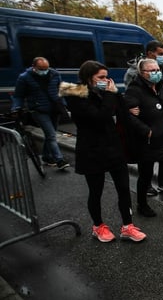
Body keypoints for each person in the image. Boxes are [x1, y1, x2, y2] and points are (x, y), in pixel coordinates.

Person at [59, 61, 146, 242]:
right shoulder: (75, 93)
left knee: (123, 188)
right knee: (96, 191)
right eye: (101, 77)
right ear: (88, 77)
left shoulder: (106, 92)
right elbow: (100, 117)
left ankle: (127, 226)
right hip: (91, 150)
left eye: (106, 76)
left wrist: (116, 95)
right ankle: (98, 226)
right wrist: (109, 95)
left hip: (113, 147)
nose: (106, 80)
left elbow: (122, 112)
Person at [124, 58, 163, 221]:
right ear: (142, 73)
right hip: (147, 142)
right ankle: (142, 204)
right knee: (145, 175)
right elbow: (128, 116)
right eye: (151, 71)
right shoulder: (135, 89)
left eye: (157, 70)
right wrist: (146, 131)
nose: (156, 73)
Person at [125, 40, 163, 196]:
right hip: (146, 127)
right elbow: (133, 96)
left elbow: (162, 92)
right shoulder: (135, 73)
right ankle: (144, 193)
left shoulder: (159, 72)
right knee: (146, 165)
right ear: (150, 53)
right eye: (160, 54)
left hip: (161, 127)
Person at [11, 57, 70, 170]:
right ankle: (59, 160)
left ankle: (47, 157)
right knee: (51, 135)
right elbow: (18, 95)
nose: (44, 71)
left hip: (55, 109)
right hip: (39, 110)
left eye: (46, 68)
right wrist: (16, 107)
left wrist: (63, 105)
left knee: (50, 135)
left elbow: (60, 90)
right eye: (41, 69)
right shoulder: (24, 78)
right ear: (34, 67)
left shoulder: (55, 74)